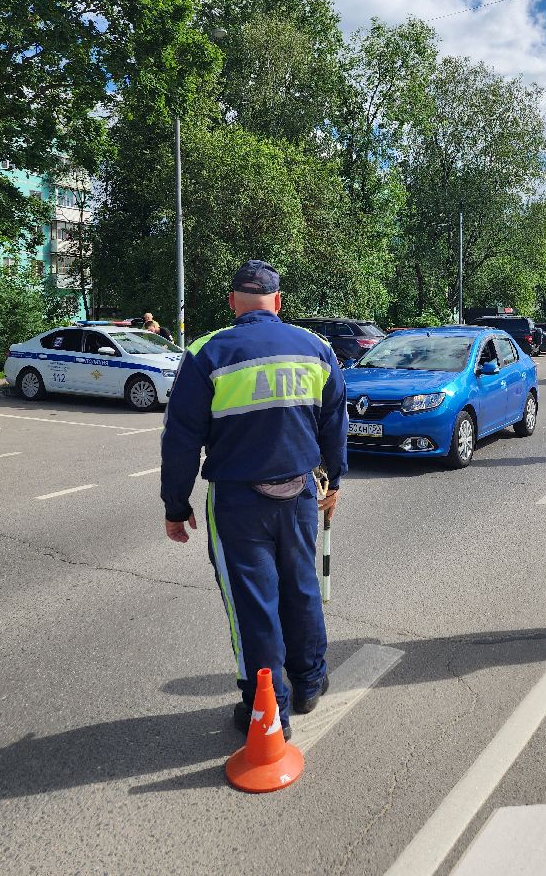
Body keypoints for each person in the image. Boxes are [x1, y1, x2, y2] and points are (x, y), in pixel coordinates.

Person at [160, 260, 347, 739]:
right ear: (278, 302)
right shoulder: (316, 348)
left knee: (253, 603)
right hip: (301, 491)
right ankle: (309, 682)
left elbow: (180, 438)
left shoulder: (207, 352)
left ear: (232, 303)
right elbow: (334, 420)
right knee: (301, 586)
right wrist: (335, 480)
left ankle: (267, 711)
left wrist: (176, 505)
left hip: (238, 501)